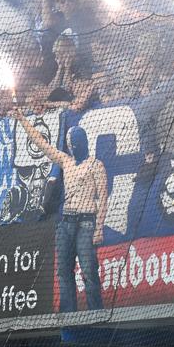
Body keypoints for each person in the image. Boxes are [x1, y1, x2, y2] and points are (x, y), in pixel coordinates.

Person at [14, 108, 107, 312]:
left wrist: (99, 228)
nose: (72, 146)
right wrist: (22, 120)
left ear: (81, 142)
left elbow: (103, 198)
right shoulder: (66, 161)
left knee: (89, 269)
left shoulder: (95, 165)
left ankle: (96, 312)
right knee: (64, 271)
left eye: (74, 142)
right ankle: (68, 314)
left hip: (86, 222)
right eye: (69, 143)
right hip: (66, 222)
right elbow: (42, 145)